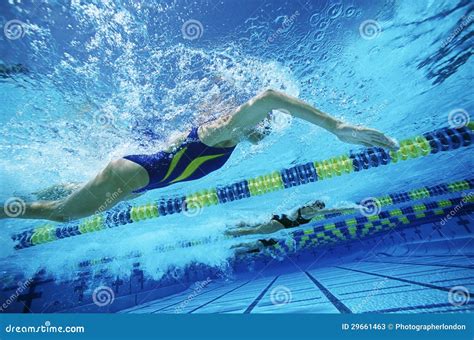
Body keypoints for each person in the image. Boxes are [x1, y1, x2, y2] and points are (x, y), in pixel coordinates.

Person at [1, 89, 398, 222]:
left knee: (74, 195)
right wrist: (338, 127)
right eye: (262, 125)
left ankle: (41, 190)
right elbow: (271, 98)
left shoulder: (227, 136)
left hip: (139, 180)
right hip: (135, 174)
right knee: (63, 214)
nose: (262, 130)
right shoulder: (224, 130)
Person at [226, 200, 353, 237]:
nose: (319, 208)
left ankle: (224, 226)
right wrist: (354, 207)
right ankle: (226, 232)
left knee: (249, 223)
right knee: (252, 231)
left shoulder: (304, 205)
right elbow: (333, 210)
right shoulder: (312, 213)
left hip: (275, 217)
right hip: (278, 224)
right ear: (317, 206)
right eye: (319, 206)